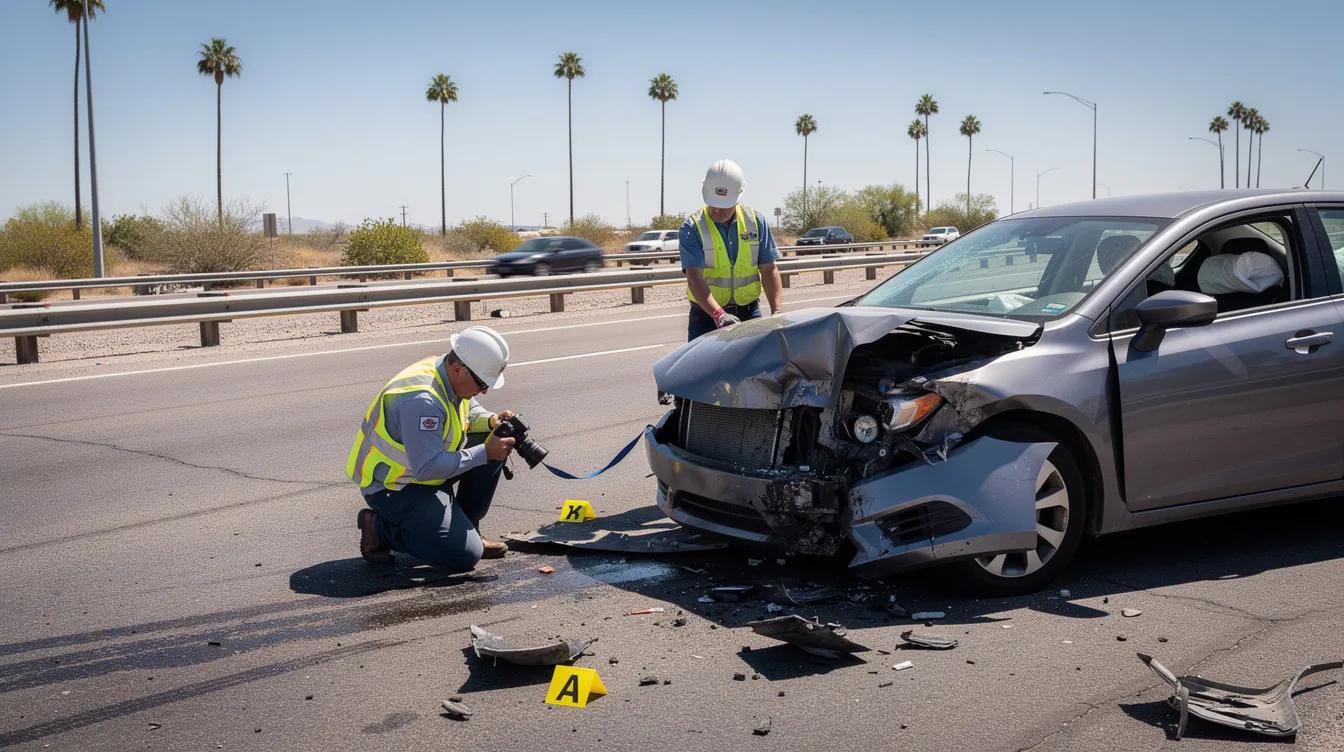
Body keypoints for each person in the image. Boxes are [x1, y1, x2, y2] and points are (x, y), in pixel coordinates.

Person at [347, 326, 516, 572]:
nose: (484, 391)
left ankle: (468, 527)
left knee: (496, 438)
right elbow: (427, 468)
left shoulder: (447, 371)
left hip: (422, 474)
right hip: (395, 486)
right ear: (459, 369)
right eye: (481, 384)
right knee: (465, 556)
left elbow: (469, 412)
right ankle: (380, 528)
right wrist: (485, 453)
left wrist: (493, 422)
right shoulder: (422, 400)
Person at [678, 159, 784, 340]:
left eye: (724, 205)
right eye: (713, 203)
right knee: (704, 368)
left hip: (748, 314)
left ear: (738, 197)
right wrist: (718, 314)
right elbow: (694, 277)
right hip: (706, 317)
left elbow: (768, 269)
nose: (717, 210)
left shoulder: (755, 222)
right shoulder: (692, 227)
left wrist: (777, 312)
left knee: (754, 367)